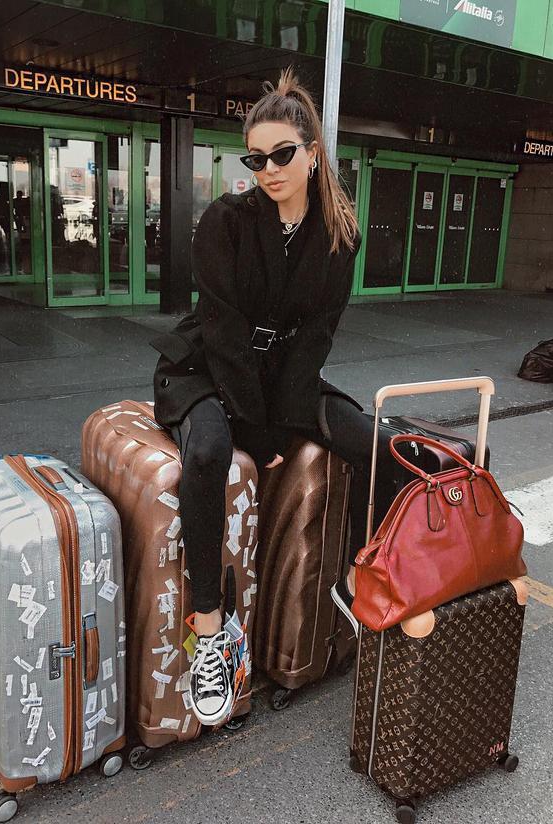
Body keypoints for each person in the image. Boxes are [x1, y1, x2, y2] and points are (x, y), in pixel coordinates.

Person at [151, 66, 373, 726]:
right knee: (210, 449)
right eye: (256, 157)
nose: (268, 168)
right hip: (202, 368)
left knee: (377, 439)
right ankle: (210, 630)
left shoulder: (339, 234)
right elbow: (220, 330)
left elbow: (314, 341)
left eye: (282, 154)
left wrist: (280, 421)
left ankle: (371, 580)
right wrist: (256, 428)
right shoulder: (226, 220)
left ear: (311, 153)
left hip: (281, 377)